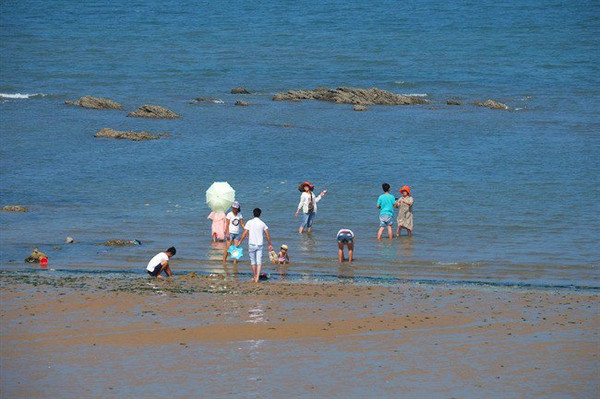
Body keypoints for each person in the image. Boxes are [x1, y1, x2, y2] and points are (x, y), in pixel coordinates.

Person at [237, 208, 274, 282]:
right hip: (259, 244)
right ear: (260, 214)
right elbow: (267, 234)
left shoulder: (249, 222)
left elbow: (244, 233)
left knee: (253, 261)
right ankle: (257, 278)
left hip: (251, 244)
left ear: (253, 214)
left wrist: (240, 241)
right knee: (259, 261)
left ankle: (255, 275)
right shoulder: (262, 223)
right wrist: (269, 244)